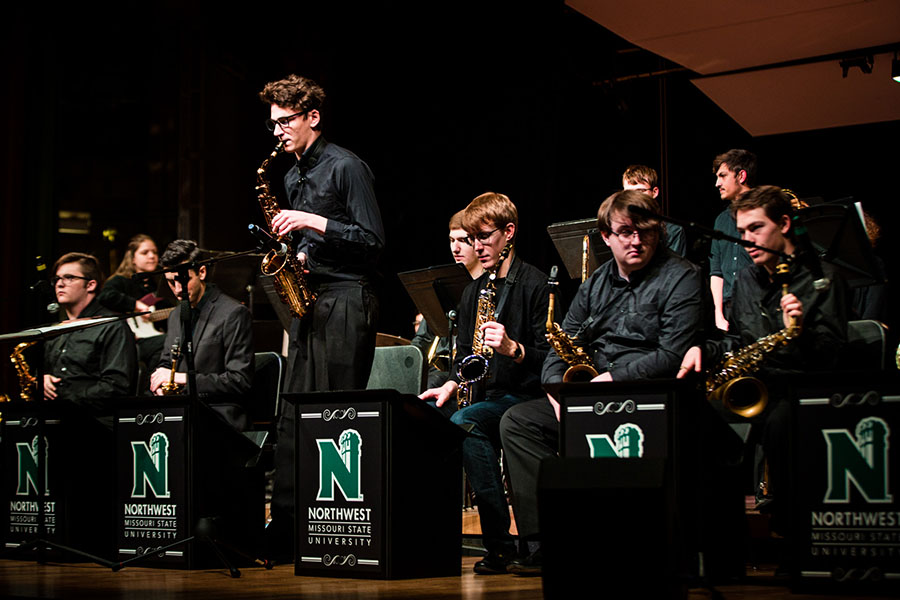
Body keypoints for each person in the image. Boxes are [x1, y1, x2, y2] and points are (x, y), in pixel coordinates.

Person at [499, 189, 703, 575]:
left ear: (658, 232)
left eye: (645, 230)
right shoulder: (594, 285)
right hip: (589, 396)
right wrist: (558, 391)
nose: (636, 240)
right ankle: (546, 543)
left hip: (653, 396)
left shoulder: (683, 276)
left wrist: (612, 379)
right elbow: (562, 345)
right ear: (605, 237)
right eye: (625, 231)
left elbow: (674, 353)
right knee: (518, 422)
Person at [259, 74, 385, 554]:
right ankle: (289, 523)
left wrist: (312, 221)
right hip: (311, 297)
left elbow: (372, 240)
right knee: (293, 411)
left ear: (312, 117)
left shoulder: (345, 166)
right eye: (273, 123)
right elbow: (320, 243)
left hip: (349, 298)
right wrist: (301, 254)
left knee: (335, 410)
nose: (277, 131)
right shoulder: (292, 175)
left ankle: (337, 523)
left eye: (285, 121)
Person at [679, 185, 848, 534]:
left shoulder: (823, 279)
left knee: (779, 424)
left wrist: (800, 330)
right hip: (758, 385)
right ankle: (718, 539)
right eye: (741, 232)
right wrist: (703, 349)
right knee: (691, 416)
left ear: (784, 224)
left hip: (803, 388)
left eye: (755, 229)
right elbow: (738, 340)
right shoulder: (746, 280)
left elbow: (833, 356)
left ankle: (791, 533)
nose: (746, 239)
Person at [419, 192, 550, 574]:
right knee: (426, 416)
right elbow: (463, 359)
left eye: (484, 237)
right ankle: (430, 539)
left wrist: (514, 349)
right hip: (485, 396)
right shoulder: (473, 291)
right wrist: (451, 384)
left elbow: (550, 359)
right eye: (472, 238)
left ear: (509, 233)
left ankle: (503, 542)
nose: (477, 246)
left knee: (468, 423)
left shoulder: (536, 285)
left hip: (525, 396)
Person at [149, 240, 254, 431]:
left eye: (183, 280)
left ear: (202, 273)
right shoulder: (175, 315)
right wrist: (160, 382)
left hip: (219, 417)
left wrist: (181, 378)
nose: (178, 289)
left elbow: (240, 380)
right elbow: (166, 362)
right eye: (171, 282)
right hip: (182, 414)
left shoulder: (233, 313)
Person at [43, 253, 137, 408]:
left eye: (69, 278)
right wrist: (43, 379)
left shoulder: (112, 326)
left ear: (91, 285)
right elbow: (45, 373)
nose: (59, 284)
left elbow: (117, 387)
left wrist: (66, 399)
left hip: (95, 421)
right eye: (57, 279)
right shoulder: (55, 331)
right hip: (57, 417)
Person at [410, 210, 484, 396]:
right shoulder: (443, 286)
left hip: (466, 372)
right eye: (452, 240)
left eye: (462, 240)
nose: (455, 249)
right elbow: (423, 339)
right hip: (439, 370)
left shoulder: (488, 288)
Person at [99, 234, 167, 385]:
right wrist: (135, 305)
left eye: (155, 252)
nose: (152, 256)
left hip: (150, 337)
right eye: (145, 252)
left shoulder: (157, 286)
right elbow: (105, 296)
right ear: (132, 258)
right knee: (166, 343)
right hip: (127, 341)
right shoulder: (120, 281)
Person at [709, 149, 756, 330]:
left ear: (741, 176)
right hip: (729, 312)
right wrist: (718, 314)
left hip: (758, 306)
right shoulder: (721, 220)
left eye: (723, 176)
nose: (717, 183)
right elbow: (716, 272)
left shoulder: (764, 214)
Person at [622, 165, 685, 256]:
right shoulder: (617, 227)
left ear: (654, 192)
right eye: (628, 192)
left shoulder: (673, 231)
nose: (634, 197)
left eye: (640, 191)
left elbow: (676, 268)